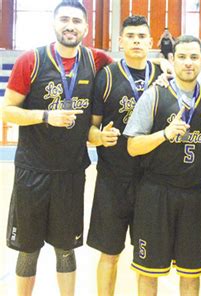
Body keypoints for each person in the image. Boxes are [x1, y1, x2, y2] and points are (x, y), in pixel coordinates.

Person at [1, 1, 113, 295]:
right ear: (54, 24)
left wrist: (164, 66)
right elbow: (7, 111)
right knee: (28, 250)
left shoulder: (97, 60)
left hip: (71, 172)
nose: (70, 25)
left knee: (66, 249)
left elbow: (127, 74)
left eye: (77, 21)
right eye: (64, 19)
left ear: (86, 28)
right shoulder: (31, 60)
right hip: (32, 171)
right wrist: (46, 116)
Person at [123, 35, 201, 296]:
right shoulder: (155, 94)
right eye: (182, 57)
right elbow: (132, 146)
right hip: (156, 194)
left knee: (191, 272)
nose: (188, 63)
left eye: (194, 57)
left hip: (196, 195)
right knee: (149, 271)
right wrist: (164, 134)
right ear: (172, 60)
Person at [86, 15, 162, 296]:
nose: (136, 41)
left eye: (142, 36)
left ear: (151, 42)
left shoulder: (162, 77)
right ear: (121, 41)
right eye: (130, 36)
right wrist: (99, 138)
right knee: (109, 254)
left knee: (148, 260)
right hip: (113, 181)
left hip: (152, 183)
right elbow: (90, 130)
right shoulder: (106, 77)